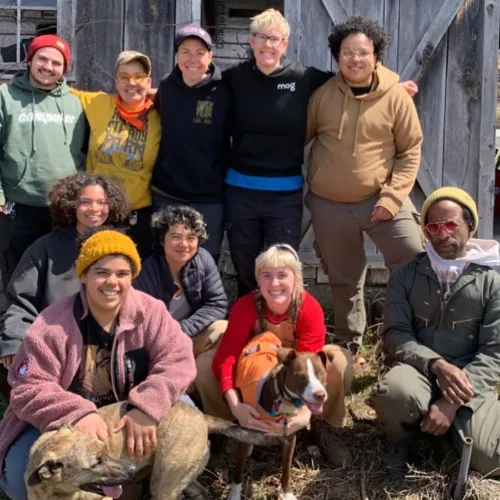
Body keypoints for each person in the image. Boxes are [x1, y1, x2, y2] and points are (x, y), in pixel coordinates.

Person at [222, 9, 418, 298]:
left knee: (282, 268)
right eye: (261, 37)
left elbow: (355, 83)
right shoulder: (232, 78)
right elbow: (202, 93)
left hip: (284, 193)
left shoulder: (302, 78)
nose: (268, 44)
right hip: (241, 188)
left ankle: (282, 329)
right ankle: (248, 327)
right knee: (245, 267)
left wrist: (391, 89)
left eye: (275, 38)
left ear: (285, 44)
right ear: (251, 41)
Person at [0, 228, 196, 500]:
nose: (112, 282)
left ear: (133, 277)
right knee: (20, 483)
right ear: (84, 275)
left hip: (126, 413)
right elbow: (27, 388)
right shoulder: (51, 324)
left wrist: (147, 407)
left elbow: (179, 360)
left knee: (186, 410)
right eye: (101, 272)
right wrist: (77, 413)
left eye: (122, 274)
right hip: (63, 424)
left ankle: (148, 477)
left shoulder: (151, 312)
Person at [305, 16, 424, 360]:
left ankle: (405, 342)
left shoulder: (395, 96)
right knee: (343, 280)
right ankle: (349, 347)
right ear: (337, 56)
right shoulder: (323, 96)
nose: (355, 59)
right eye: (347, 53)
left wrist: (392, 197)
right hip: (329, 204)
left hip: (382, 199)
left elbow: (410, 149)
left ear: (376, 55)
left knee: (414, 263)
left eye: (362, 52)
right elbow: (297, 136)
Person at [370, 187, 500, 475]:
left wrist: (452, 402)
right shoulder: (405, 275)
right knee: (393, 394)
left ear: (470, 225)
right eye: (433, 226)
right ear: (426, 231)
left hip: (468, 378)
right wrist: (436, 364)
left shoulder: (492, 281)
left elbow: (495, 351)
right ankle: (403, 440)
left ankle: (442, 436)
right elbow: (396, 333)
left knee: (491, 459)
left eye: (451, 224)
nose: (442, 234)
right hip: (419, 370)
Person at [195, 243, 353, 465]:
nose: (274, 283)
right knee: (204, 366)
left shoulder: (309, 308)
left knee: (337, 361)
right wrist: (235, 405)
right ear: (257, 280)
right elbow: (227, 358)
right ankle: (231, 428)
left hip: (294, 378)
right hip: (252, 377)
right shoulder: (246, 306)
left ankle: (320, 426)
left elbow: (309, 366)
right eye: (266, 275)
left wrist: (303, 416)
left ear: (296, 279)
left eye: (282, 275)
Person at [0, 173, 130, 400]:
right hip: (54, 344)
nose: (94, 209)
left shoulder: (120, 247)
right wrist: (13, 341)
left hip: (106, 347)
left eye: (102, 202)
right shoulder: (44, 247)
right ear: (71, 205)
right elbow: (20, 302)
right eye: (85, 202)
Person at [0, 34, 87, 285]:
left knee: (59, 276)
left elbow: (82, 153)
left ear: (64, 69)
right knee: (18, 274)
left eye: (56, 63)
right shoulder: (6, 97)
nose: (48, 67)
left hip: (63, 207)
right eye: (42, 59)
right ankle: (16, 322)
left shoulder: (75, 104)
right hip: (18, 206)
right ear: (30, 60)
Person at [152, 25, 232, 263]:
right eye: (185, 51)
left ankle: (202, 302)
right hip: (166, 191)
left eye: (200, 52)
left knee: (206, 260)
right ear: (176, 56)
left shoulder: (224, 92)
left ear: (211, 56)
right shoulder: (167, 87)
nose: (192, 59)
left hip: (209, 195)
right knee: (164, 259)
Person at [70, 51, 161, 259]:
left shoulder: (160, 112)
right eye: (124, 76)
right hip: (98, 212)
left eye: (138, 76)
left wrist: (157, 93)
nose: (131, 82)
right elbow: (55, 90)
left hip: (137, 215)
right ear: (116, 81)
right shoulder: (98, 104)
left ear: (148, 81)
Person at [134, 205, 228, 357]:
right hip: (156, 343)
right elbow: (139, 319)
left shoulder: (203, 259)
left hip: (188, 334)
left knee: (222, 328)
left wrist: (182, 329)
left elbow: (217, 303)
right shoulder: (148, 271)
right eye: (175, 237)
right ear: (162, 240)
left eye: (191, 238)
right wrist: (169, 336)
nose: (184, 244)